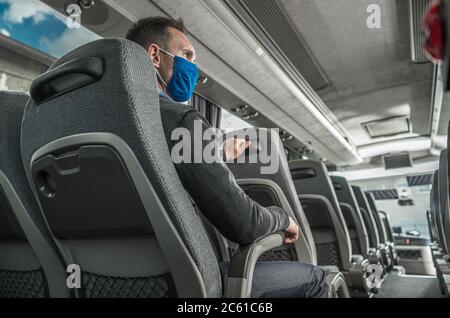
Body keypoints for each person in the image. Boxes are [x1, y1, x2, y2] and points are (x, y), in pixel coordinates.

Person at [126, 16, 328, 298]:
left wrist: (216, 151)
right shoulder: (180, 119)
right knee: (317, 278)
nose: (193, 66)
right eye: (187, 55)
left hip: (114, 284)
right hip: (187, 286)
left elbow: (162, 166)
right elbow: (242, 224)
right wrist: (283, 218)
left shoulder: (116, 125)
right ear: (155, 55)